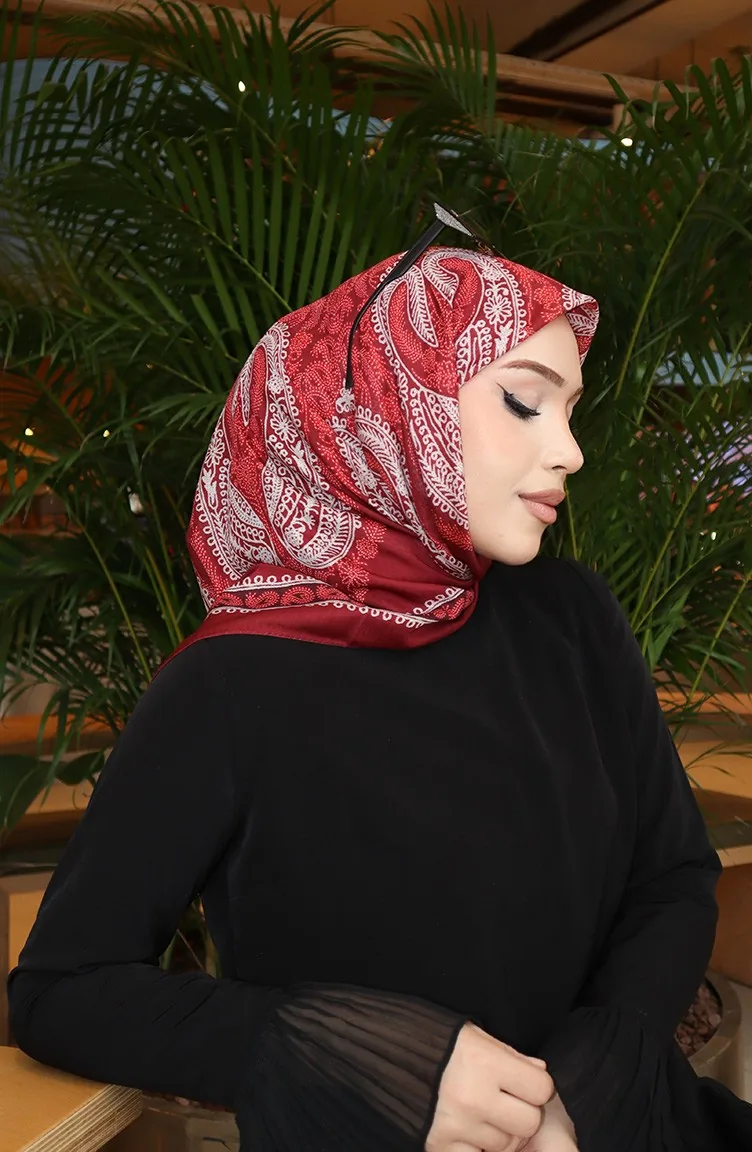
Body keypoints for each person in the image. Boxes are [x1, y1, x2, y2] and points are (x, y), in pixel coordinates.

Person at [7, 205, 752, 1152]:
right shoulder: (234, 679)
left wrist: (587, 1084)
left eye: (570, 409)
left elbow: (674, 876)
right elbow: (62, 988)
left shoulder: (571, 618)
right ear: (387, 405)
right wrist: (355, 1055)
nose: (569, 449)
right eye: (526, 402)